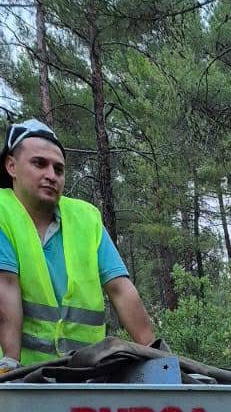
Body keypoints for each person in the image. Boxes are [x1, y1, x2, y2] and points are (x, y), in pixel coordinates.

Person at [0, 117, 155, 373]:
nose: (51, 175)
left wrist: (155, 355)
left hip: (85, 373)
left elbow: (120, 289)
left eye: (58, 169)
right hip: (21, 376)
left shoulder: (86, 218)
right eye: (39, 164)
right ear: (11, 166)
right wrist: (11, 362)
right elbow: (4, 286)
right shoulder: (2, 212)